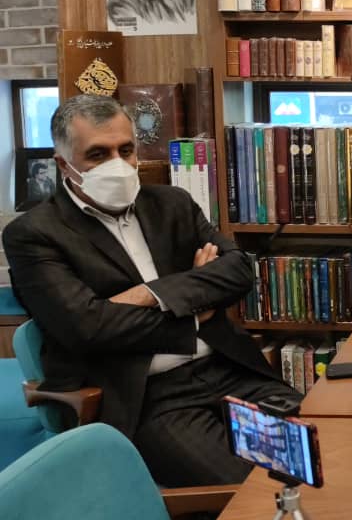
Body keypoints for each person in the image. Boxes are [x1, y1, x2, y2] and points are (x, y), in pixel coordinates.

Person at [2, 95, 298, 487]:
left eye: (126, 150)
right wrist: (194, 308)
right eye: (98, 154)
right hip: (148, 398)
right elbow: (87, 327)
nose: (118, 164)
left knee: (322, 454)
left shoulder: (172, 203)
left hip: (228, 372)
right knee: (255, 487)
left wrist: (148, 294)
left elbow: (239, 270)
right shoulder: (34, 234)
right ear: (63, 164)